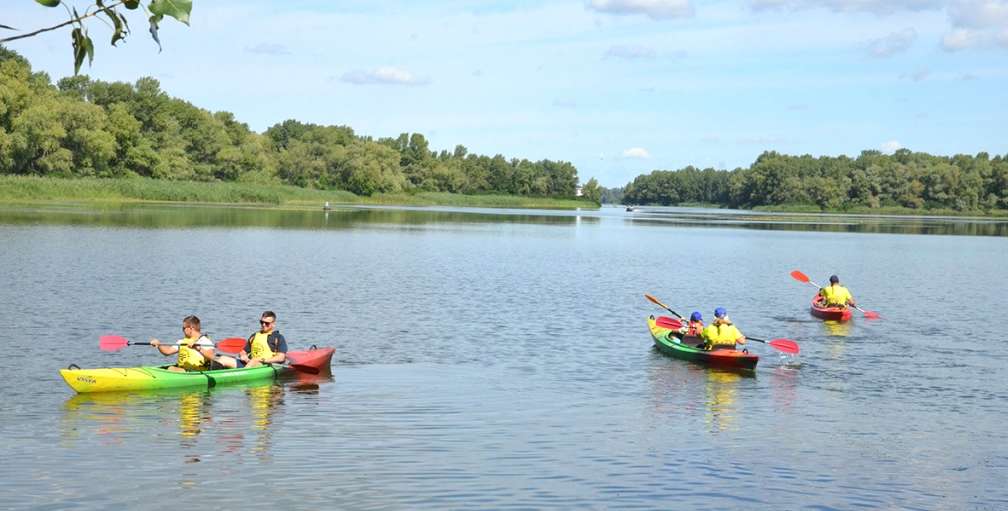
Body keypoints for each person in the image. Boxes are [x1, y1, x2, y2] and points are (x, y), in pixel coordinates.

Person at [214, 311, 288, 369]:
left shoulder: (278, 338)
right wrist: (243, 356)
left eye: (267, 323)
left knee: (254, 361)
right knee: (222, 358)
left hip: (265, 365)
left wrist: (261, 360)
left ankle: (240, 375)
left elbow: (281, 357)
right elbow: (243, 352)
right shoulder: (254, 336)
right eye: (261, 322)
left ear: (273, 324)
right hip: (249, 364)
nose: (263, 325)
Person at [150, 315, 217, 372]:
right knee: (170, 368)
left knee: (171, 368)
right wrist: (159, 345)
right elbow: (167, 352)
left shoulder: (204, 341)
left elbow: (212, 357)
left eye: (183, 328)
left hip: (196, 372)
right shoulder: (182, 341)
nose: (182, 330)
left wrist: (198, 348)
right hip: (182, 371)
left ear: (191, 328)